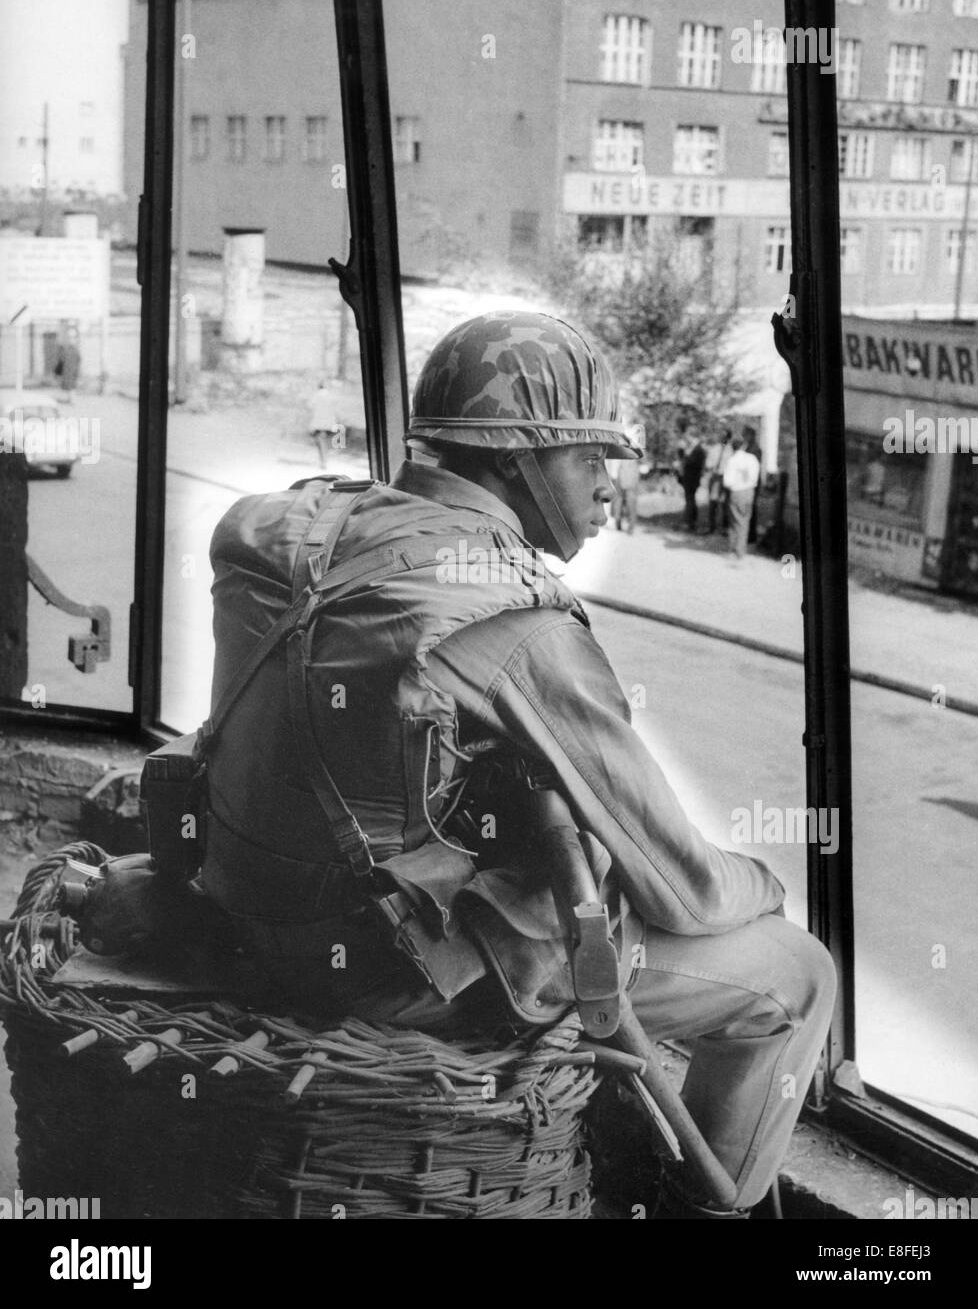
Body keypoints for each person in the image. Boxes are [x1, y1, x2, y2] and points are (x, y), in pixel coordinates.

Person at [202, 311, 834, 1219]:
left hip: (240, 911)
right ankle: (707, 1211)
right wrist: (762, 882)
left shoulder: (288, 527)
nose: (608, 492)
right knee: (796, 970)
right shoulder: (513, 616)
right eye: (588, 460)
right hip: (379, 973)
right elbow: (683, 891)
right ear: (512, 461)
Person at [723, 436, 761, 561]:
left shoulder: (732, 460)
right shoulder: (752, 459)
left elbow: (727, 481)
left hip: (736, 492)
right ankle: (740, 549)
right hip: (748, 492)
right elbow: (755, 478)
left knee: (734, 521)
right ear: (743, 445)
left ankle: (734, 549)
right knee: (744, 521)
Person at [703, 427, 733, 536]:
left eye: (725, 435)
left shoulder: (732, 450)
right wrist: (711, 467)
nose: (723, 437)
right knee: (713, 502)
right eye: (721, 435)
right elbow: (708, 463)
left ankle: (725, 528)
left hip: (726, 477)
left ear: (728, 437)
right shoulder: (714, 448)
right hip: (715, 477)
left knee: (725, 503)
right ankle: (711, 527)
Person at [678, 429, 706, 533]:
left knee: (690, 500)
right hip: (689, 478)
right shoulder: (693, 449)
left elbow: (692, 463)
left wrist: (684, 455)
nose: (687, 440)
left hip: (692, 479)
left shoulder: (698, 450)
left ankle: (689, 523)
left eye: (688, 437)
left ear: (693, 437)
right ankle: (691, 522)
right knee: (690, 500)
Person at [608, 452, 641, 533]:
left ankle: (628, 524)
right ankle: (620, 521)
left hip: (627, 472)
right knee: (621, 500)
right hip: (622, 472)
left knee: (628, 500)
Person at [742, 426, 764, 545]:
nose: (744, 437)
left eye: (745, 435)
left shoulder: (755, 449)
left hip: (752, 483)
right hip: (749, 482)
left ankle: (751, 536)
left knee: (752, 507)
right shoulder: (749, 447)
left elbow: (751, 467)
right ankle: (748, 534)